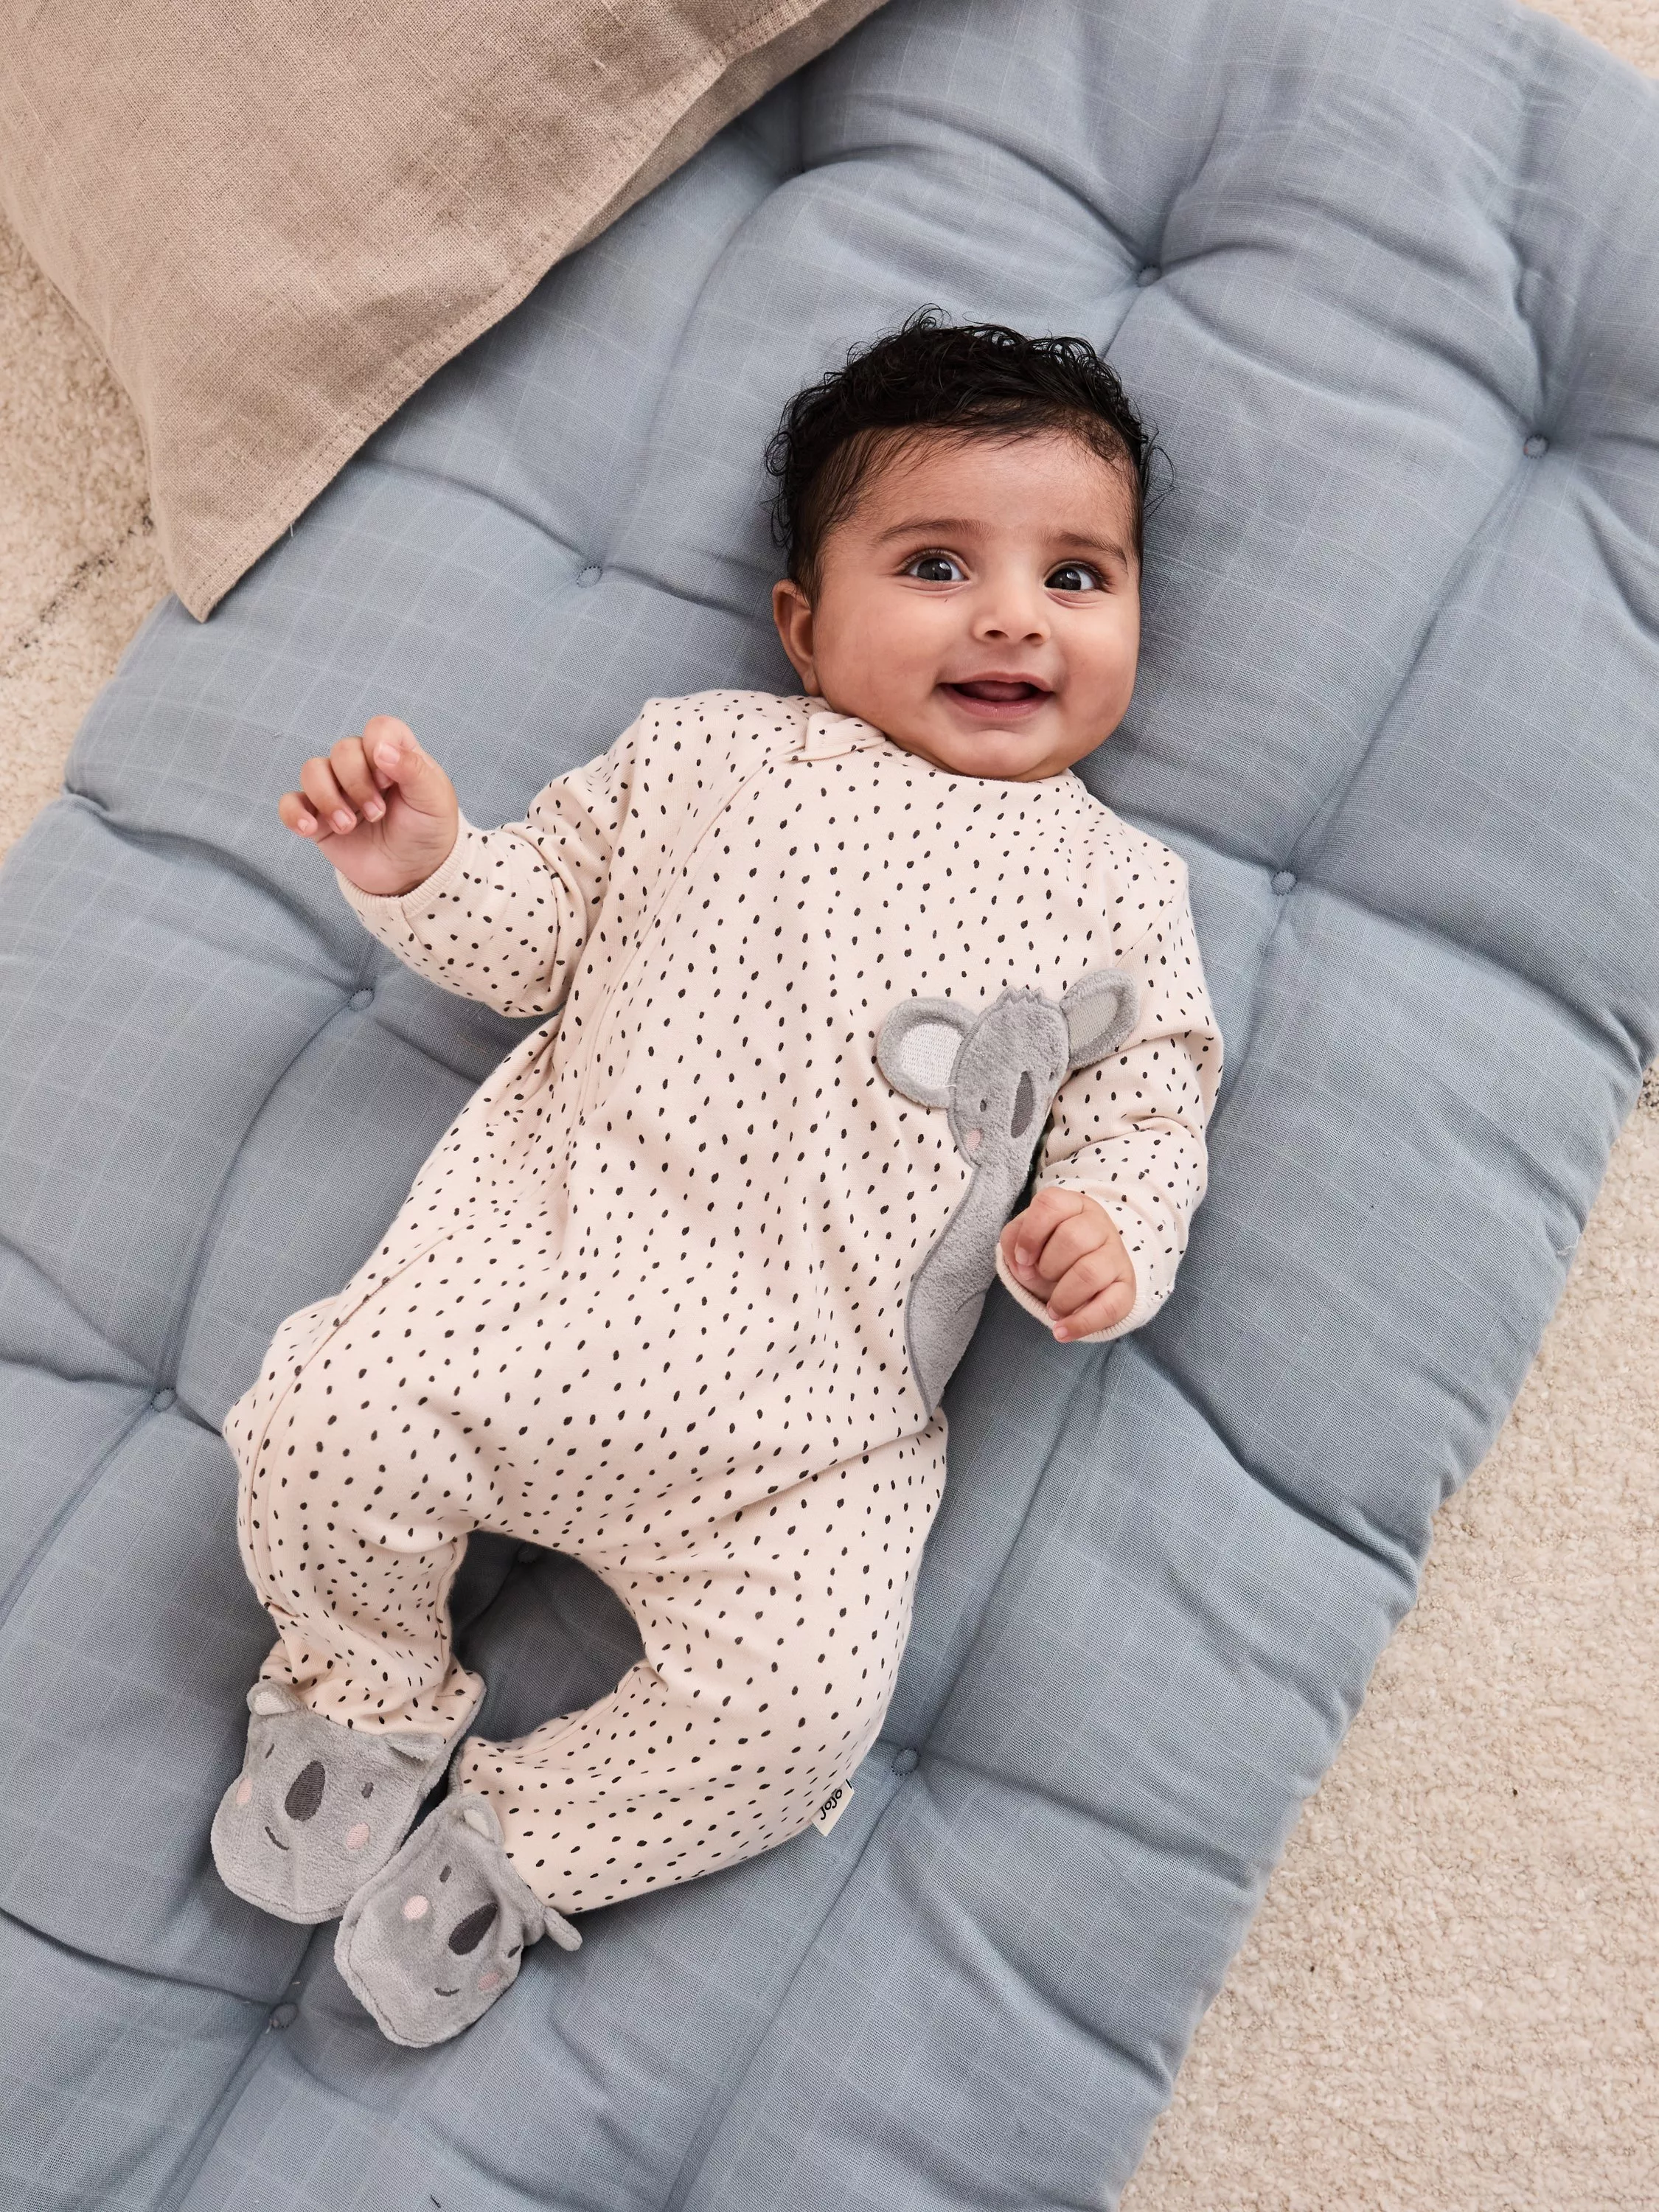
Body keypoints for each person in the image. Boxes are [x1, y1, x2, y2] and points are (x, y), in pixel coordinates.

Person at [210, 312, 1222, 2046]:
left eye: (1078, 576)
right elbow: (531, 932)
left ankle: (527, 1839)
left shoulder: (1120, 890)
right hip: (538, 1292)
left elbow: (1151, 1103)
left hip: (810, 1438)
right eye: (935, 564)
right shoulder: (709, 759)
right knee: (319, 1422)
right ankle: (363, 1680)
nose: (1011, 617)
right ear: (805, 631)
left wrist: (1112, 1232)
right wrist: (424, 863)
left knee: (804, 1714)